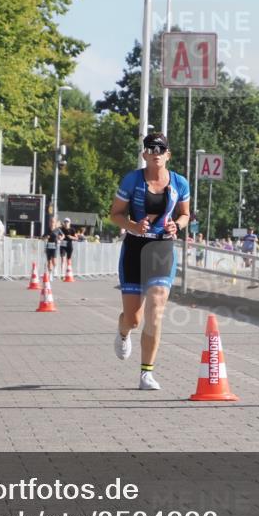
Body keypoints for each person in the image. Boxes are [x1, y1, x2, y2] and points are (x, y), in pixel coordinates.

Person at [109, 132, 190, 390]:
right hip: (134, 248)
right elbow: (115, 214)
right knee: (133, 319)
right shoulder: (132, 180)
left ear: (168, 154)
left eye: (160, 148)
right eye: (150, 148)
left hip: (161, 248)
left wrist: (177, 225)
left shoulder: (179, 182)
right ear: (144, 154)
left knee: (156, 308)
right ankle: (123, 333)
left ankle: (146, 373)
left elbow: (186, 214)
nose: (155, 152)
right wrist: (133, 224)